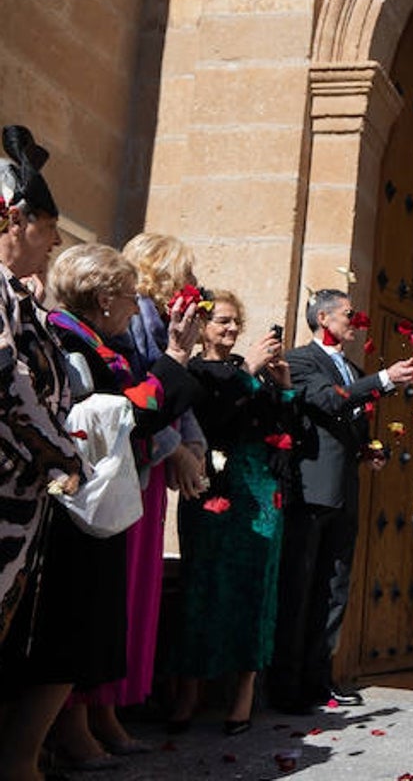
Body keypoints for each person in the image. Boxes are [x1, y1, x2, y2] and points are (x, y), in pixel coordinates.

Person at [1, 243, 202, 774]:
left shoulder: (89, 339)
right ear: (105, 297)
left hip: (79, 506)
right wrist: (177, 359)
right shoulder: (70, 339)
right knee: (64, 636)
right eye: (131, 298)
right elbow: (132, 413)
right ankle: (21, 760)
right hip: (71, 510)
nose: (137, 310)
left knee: (75, 636)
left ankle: (37, 750)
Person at [269, 289, 413, 714]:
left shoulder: (351, 367)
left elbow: (350, 419)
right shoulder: (300, 360)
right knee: (299, 589)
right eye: (348, 314)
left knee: (334, 589)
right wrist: (385, 379)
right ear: (323, 317)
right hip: (312, 492)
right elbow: (326, 400)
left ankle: (320, 679)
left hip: (344, 493)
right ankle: (287, 686)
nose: (355, 321)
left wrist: (369, 449)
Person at [168, 290, 299, 735]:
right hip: (213, 485)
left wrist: (281, 389)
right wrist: (248, 373)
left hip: (260, 489)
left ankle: (243, 693)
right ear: (202, 326)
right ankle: (189, 689)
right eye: (221, 321)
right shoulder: (196, 370)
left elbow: (282, 429)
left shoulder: (253, 372)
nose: (229, 329)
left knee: (254, 587)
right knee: (203, 584)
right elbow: (211, 416)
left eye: (234, 322)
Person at [0, 126, 86, 781]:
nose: (55, 243)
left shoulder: (17, 296)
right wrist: (66, 458)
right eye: (48, 228)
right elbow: (12, 387)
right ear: (16, 218)